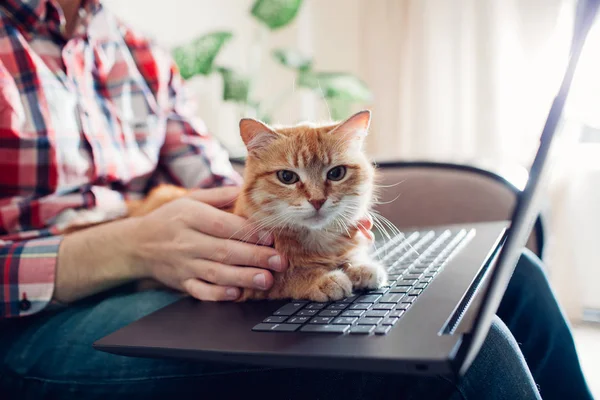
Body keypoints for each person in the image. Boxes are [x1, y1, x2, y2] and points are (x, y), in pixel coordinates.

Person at [0, 1, 593, 399]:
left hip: (174, 277)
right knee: (469, 351)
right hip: (34, 321)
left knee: (510, 273)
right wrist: (131, 247)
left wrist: (301, 216)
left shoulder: (134, 50)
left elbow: (221, 180)